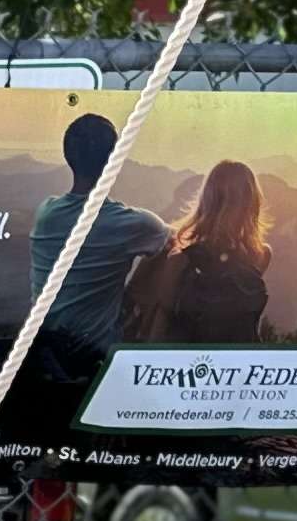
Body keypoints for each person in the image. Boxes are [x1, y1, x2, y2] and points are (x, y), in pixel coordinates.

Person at [23, 111, 173, 384]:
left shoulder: (46, 213)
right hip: (94, 360)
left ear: (69, 157)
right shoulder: (132, 224)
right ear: (113, 161)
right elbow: (175, 243)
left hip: (42, 354)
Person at [138, 158, 273, 346]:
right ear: (252, 203)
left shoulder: (180, 259)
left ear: (208, 200)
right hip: (235, 365)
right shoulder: (261, 255)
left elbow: (161, 325)